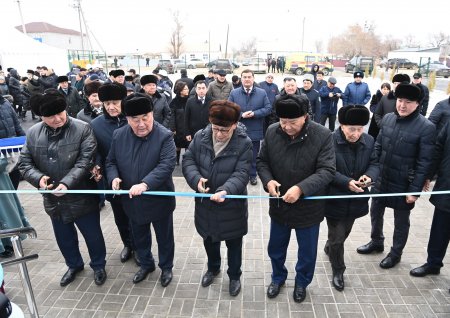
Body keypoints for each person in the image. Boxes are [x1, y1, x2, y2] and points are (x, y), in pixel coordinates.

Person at [18, 89, 107, 287]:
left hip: (81, 195)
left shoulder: (83, 128)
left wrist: (66, 183)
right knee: (64, 238)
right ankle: (74, 265)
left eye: (61, 113)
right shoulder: (33, 133)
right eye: (51, 116)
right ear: (42, 116)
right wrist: (39, 179)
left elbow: (86, 161)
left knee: (93, 236)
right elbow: (24, 163)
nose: (57, 119)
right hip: (53, 199)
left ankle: (99, 265)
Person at [256, 94, 335, 303]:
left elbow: (327, 170)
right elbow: (262, 162)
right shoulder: (273, 131)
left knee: (307, 253)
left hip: (309, 207)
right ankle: (277, 277)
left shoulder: (323, 135)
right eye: (283, 122)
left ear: (305, 117)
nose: (287, 127)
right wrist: (268, 181)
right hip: (280, 204)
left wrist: (301, 188)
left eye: (292, 122)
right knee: (275, 247)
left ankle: (302, 282)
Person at [356, 83, 435, 269]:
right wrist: (371, 173)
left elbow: (424, 163)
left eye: (408, 102)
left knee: (401, 221)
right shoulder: (389, 118)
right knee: (375, 212)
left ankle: (395, 253)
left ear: (418, 104)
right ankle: (376, 241)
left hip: (404, 183)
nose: (402, 105)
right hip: (382, 177)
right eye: (400, 100)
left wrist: (414, 191)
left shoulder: (426, 127)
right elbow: (377, 146)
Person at [182, 100, 252, 296]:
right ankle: (213, 268)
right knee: (209, 240)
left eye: (224, 130)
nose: (219, 134)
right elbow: (188, 160)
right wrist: (196, 180)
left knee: (234, 244)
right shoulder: (200, 136)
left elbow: (242, 173)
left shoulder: (244, 143)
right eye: (216, 129)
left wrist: (226, 191)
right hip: (206, 204)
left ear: (234, 125)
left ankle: (234, 276)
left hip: (231, 205)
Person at [105, 93, 176, 287]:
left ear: (152, 115)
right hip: (132, 199)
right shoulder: (119, 135)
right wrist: (113, 178)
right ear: (127, 119)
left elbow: (167, 165)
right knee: (139, 236)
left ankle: (166, 267)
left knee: (164, 237)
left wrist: (145, 184)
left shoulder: (165, 136)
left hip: (158, 200)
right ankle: (146, 264)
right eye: (135, 120)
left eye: (145, 118)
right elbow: (110, 161)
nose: (141, 124)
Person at [324, 105, 379, 291]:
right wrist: (346, 182)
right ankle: (338, 270)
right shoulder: (329, 140)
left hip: (357, 200)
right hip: (334, 199)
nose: (355, 133)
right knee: (338, 238)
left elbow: (375, 163)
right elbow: (325, 169)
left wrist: (369, 177)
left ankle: (329, 245)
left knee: (344, 233)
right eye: (351, 129)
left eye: (359, 129)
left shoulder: (370, 140)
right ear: (341, 126)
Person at [91, 83, 135, 264]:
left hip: (135, 179)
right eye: (106, 103)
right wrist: (96, 166)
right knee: (120, 218)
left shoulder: (134, 119)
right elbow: (97, 152)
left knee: (137, 218)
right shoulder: (95, 125)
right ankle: (128, 245)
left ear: (123, 101)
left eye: (115, 102)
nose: (111, 107)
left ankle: (140, 248)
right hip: (112, 181)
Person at [409, 121, 450, 278]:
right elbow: (438, 148)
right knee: (439, 230)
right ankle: (433, 263)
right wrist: (429, 175)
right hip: (447, 187)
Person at [228, 69, 272, 186]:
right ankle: (237, 176)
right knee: (237, 154)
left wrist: (255, 113)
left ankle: (253, 175)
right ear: (241, 79)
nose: (247, 79)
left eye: (249, 77)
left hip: (255, 129)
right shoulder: (234, 93)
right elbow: (229, 109)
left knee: (253, 155)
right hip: (238, 130)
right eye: (244, 77)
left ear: (253, 79)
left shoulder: (261, 93)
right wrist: (241, 114)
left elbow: (268, 108)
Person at [0, 94, 25, 190]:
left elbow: (17, 125)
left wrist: (25, 142)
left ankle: (14, 204)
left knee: (14, 179)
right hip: (1, 154)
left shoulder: (5, 103)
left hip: (12, 150)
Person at [169, 81, 190, 165]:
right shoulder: (174, 102)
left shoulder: (190, 100)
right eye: (185, 89)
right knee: (177, 145)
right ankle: (176, 160)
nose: (188, 90)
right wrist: (173, 128)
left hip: (188, 126)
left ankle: (187, 161)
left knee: (188, 145)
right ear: (180, 91)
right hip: (178, 127)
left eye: (187, 88)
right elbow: (172, 116)